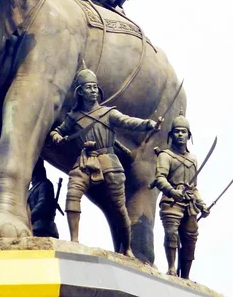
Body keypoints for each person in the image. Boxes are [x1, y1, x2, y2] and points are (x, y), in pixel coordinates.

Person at [50, 68, 156, 256]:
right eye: (88, 87)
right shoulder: (73, 117)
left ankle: (127, 247)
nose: (93, 90)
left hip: (109, 161)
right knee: (73, 194)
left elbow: (128, 122)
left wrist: (147, 124)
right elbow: (58, 130)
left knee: (118, 206)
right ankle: (74, 240)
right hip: (85, 161)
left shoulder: (108, 113)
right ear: (80, 92)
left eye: (94, 87)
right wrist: (56, 135)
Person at [153, 112, 210, 279]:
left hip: (190, 204)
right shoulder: (165, 155)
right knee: (172, 233)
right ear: (171, 135)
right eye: (177, 131)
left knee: (190, 238)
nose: (180, 134)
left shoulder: (193, 159)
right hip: (171, 200)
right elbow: (159, 178)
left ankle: (185, 276)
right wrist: (172, 191)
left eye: (183, 132)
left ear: (188, 135)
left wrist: (202, 204)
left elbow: (194, 187)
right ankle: (171, 269)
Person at [27, 158, 60, 238]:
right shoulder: (30, 189)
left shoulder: (45, 184)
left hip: (42, 226)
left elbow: (43, 203)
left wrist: (29, 218)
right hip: (31, 226)